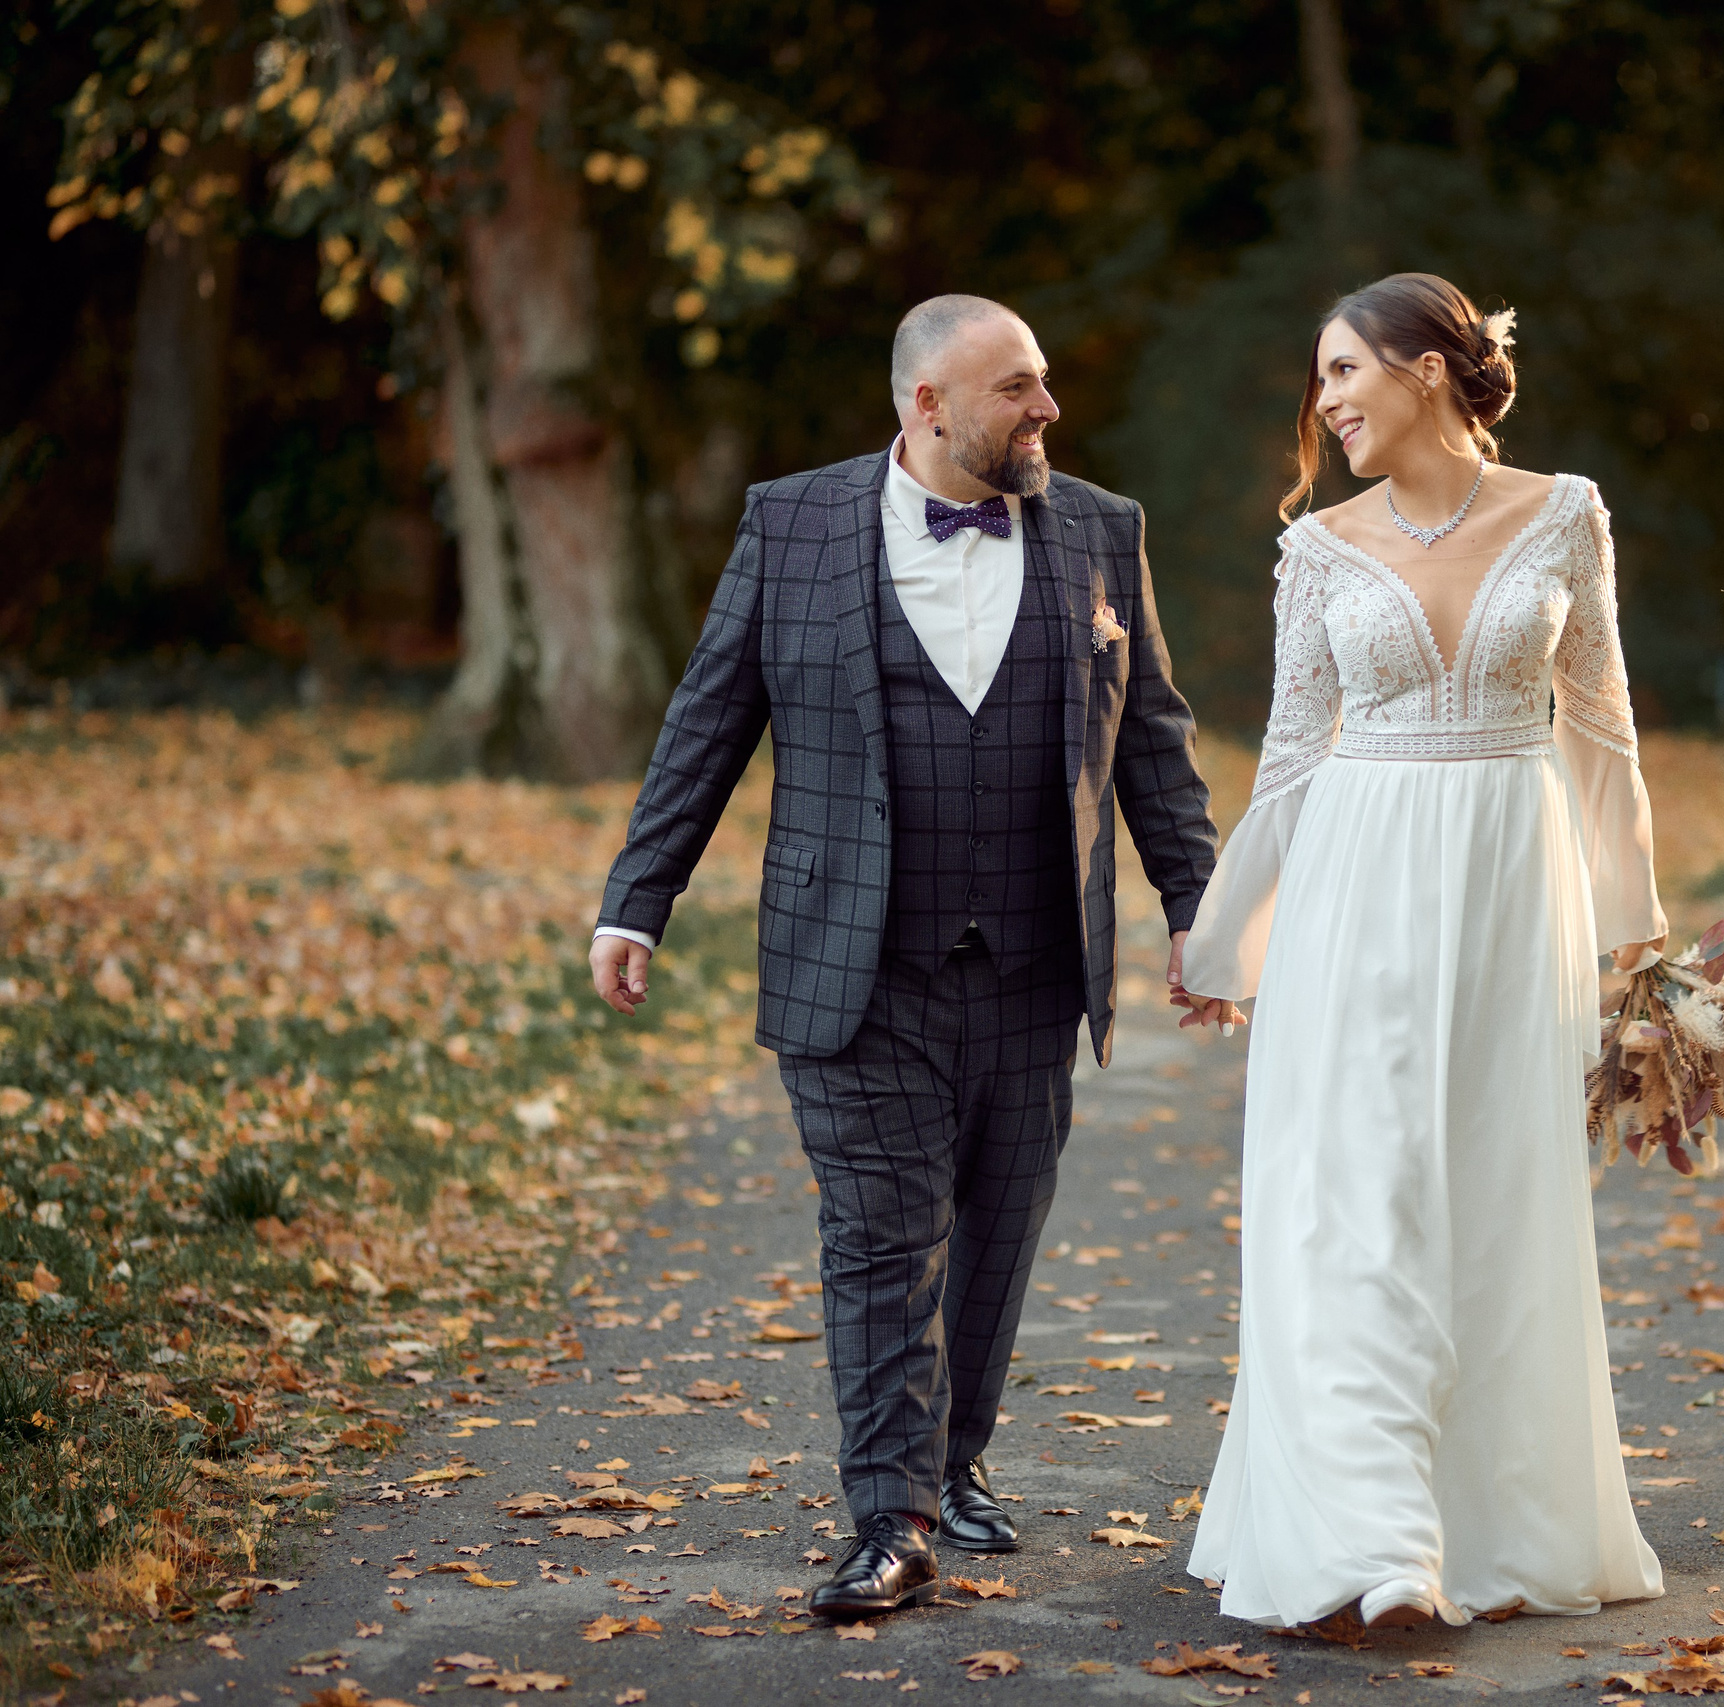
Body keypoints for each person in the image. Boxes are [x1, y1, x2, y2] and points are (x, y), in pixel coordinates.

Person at [588, 295, 1233, 1621]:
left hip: (1039, 960)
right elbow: (708, 716)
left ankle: (956, 1458)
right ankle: (892, 1517)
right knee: (882, 1238)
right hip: (854, 958)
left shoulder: (1104, 532)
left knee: (998, 1232)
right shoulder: (795, 521)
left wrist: (1197, 907)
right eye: (1015, 390)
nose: (1046, 409)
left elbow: (1151, 741)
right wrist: (637, 897)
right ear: (927, 406)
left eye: (1044, 382)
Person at [1175, 273, 1669, 1629]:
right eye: (1319, 376)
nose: (1324, 400)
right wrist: (1222, 942)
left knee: (1492, 1194)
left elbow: (1604, 734)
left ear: (1429, 368)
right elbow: (1286, 762)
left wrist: (1641, 948)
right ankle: (1380, 1545)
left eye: (1343, 369)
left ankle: (1483, 1521)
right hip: (1357, 889)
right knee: (1361, 1194)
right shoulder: (1321, 550)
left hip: (1516, 894)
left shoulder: (1565, 516)